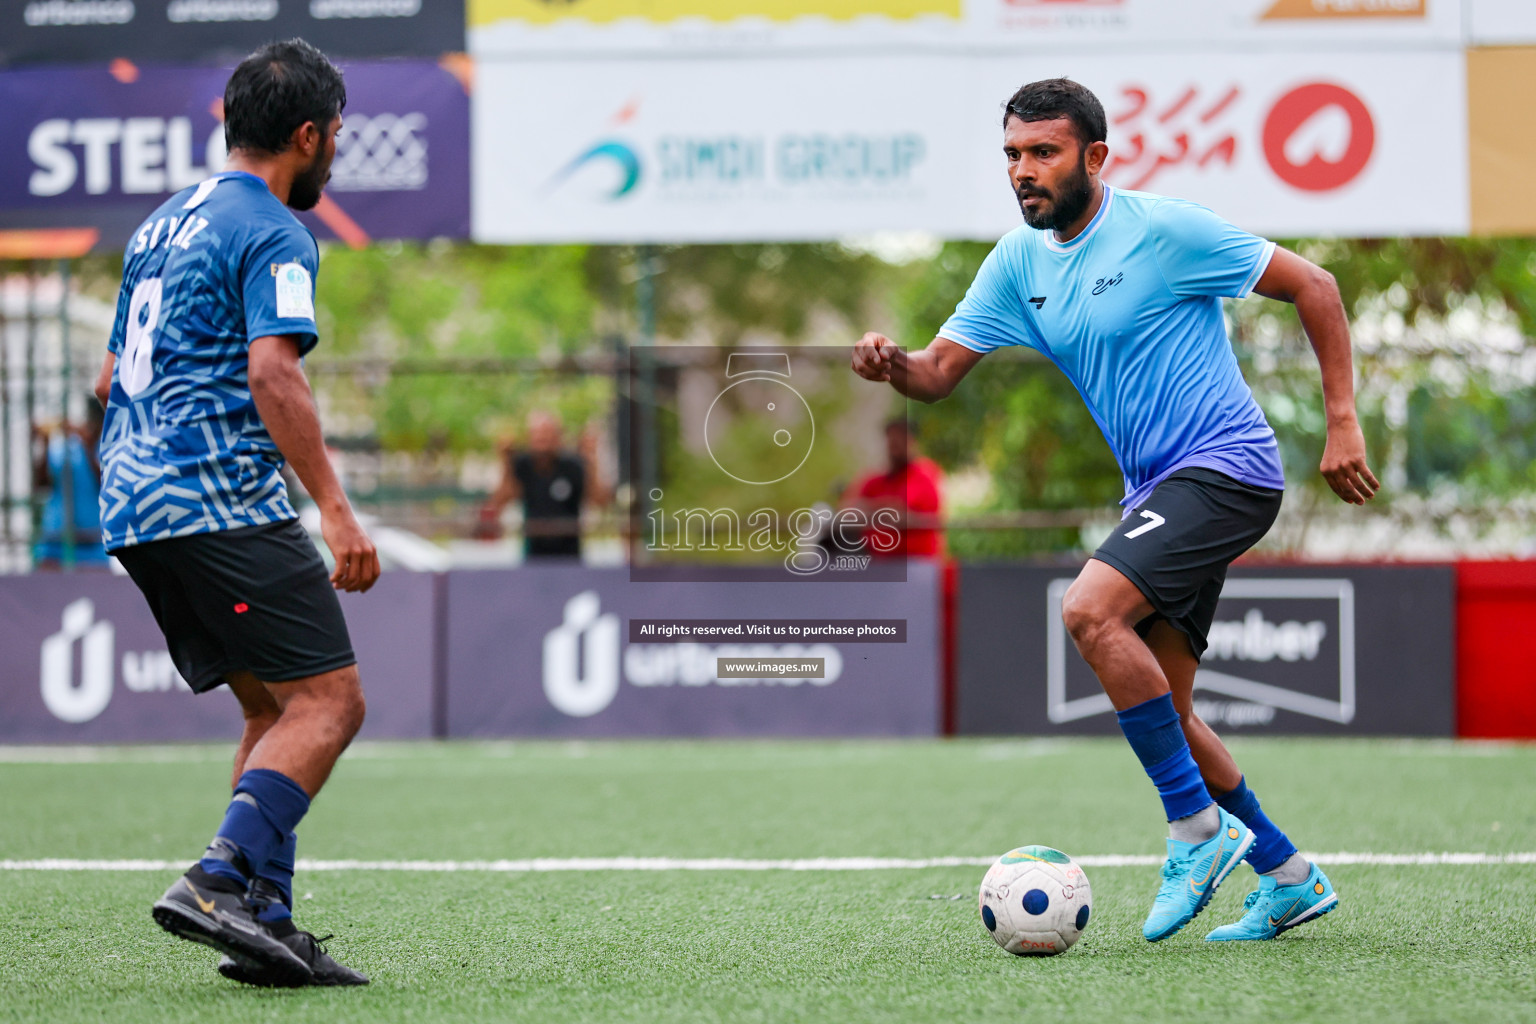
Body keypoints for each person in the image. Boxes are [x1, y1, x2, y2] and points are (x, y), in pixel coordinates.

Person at [851, 78, 1379, 943]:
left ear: (1095, 157)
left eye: (1044, 153)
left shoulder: (1164, 230)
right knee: (1168, 716)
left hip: (1227, 469)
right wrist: (890, 363)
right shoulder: (1018, 264)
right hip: (1162, 492)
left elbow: (1315, 285)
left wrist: (1344, 425)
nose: (1025, 171)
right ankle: (1288, 874)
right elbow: (936, 375)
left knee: (1090, 610)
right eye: (1014, 156)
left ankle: (1195, 833)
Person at [92, 39, 378, 987]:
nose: (334, 149)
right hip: (213, 494)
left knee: (271, 705)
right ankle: (220, 878)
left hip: (132, 497)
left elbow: (106, 379)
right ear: (308, 136)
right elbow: (272, 370)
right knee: (332, 702)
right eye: (335, 135)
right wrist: (336, 511)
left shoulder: (162, 225)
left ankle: (266, 925)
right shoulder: (275, 230)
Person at [481, 411, 606, 559]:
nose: (542, 439)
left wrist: (591, 461)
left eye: (547, 434)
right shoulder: (522, 465)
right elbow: (500, 502)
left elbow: (600, 501)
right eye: (538, 434)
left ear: (558, 437)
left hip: (569, 556)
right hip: (533, 555)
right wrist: (506, 463)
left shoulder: (573, 465)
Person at [842, 418, 945, 558]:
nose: (894, 445)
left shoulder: (924, 474)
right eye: (891, 440)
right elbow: (847, 509)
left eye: (900, 439)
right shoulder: (875, 480)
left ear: (912, 441)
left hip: (917, 560)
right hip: (879, 561)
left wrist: (871, 509)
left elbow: (900, 510)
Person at [30, 402, 110, 570]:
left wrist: (88, 447)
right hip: (55, 537)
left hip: (91, 539)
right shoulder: (61, 449)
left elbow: (104, 482)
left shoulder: (101, 449)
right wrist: (44, 443)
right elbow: (41, 485)